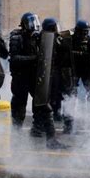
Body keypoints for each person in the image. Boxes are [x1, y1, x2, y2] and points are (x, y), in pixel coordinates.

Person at [9, 13, 67, 149]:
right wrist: (34, 59)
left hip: (35, 78)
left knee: (45, 107)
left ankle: (51, 140)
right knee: (19, 110)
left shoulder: (38, 37)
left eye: (35, 23)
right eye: (30, 23)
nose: (33, 26)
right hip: (20, 79)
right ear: (23, 25)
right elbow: (15, 59)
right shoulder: (16, 38)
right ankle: (15, 140)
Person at [57, 20, 90, 133]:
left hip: (86, 71)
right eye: (83, 32)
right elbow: (64, 55)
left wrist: (88, 55)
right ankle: (68, 123)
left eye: (87, 32)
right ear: (78, 31)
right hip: (73, 72)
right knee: (70, 97)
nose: (85, 34)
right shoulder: (70, 40)